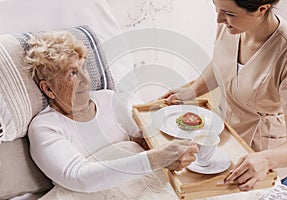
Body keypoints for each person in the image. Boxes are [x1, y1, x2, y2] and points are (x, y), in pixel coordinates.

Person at [25, 31, 199, 193]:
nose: (86, 80)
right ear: (48, 89)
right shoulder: (44, 127)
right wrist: (156, 159)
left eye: (83, 68)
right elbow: (80, 178)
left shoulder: (108, 99)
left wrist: (161, 119)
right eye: (72, 73)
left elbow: (138, 142)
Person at [162, 0, 287, 191]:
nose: (219, 19)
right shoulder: (230, 25)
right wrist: (192, 91)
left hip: (262, 162)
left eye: (228, 13)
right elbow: (222, 61)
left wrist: (266, 160)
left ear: (262, 9)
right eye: (216, 8)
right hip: (224, 142)